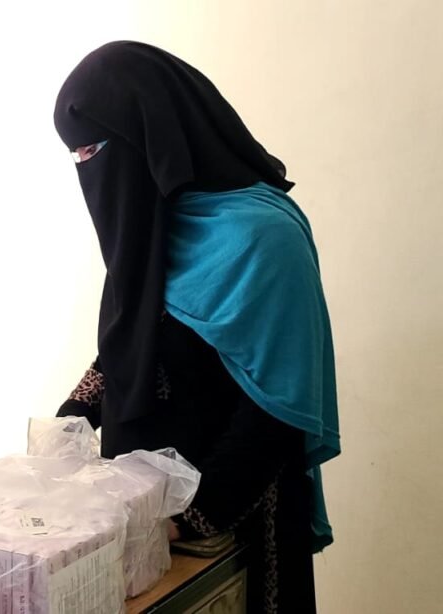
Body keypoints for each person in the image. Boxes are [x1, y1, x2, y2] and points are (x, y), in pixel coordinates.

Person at [53, 41, 339, 613]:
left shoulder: (264, 238)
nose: (86, 167)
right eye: (75, 155)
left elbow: (278, 409)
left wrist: (186, 523)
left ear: (147, 137)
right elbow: (137, 342)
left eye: (92, 149)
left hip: (235, 526)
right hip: (141, 520)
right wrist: (71, 421)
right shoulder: (149, 225)